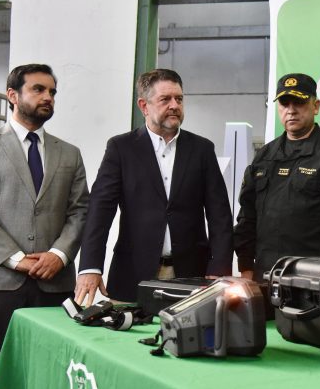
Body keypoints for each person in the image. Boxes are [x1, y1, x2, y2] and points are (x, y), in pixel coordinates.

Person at [0, 64, 89, 389]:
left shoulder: (69, 153)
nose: (48, 97)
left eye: (52, 91)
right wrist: (16, 258)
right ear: (13, 95)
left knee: (52, 375)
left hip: (56, 285)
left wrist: (59, 254)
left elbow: (81, 210)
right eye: (38, 89)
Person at [75, 68, 233, 305]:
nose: (174, 105)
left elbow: (219, 214)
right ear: (144, 106)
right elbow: (100, 210)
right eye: (165, 99)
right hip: (133, 275)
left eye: (179, 99)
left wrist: (220, 265)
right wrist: (90, 266)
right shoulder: (121, 148)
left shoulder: (202, 150)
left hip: (192, 276)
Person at [234, 73, 320, 280]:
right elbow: (247, 217)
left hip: (313, 276)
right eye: (284, 103)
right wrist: (245, 268)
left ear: (315, 106)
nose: (291, 110)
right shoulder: (264, 155)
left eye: (298, 102)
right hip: (264, 273)